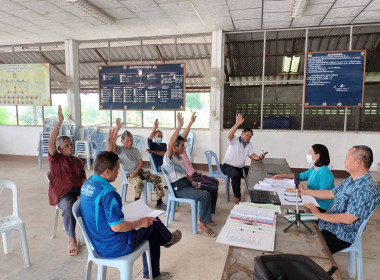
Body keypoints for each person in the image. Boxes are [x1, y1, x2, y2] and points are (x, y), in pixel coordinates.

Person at [80, 151, 181, 280]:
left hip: (99, 242)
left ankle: (152, 273)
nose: (118, 172)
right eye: (116, 169)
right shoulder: (108, 194)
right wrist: (140, 223)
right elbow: (117, 227)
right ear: (107, 172)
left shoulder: (88, 184)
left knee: (150, 229)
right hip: (115, 246)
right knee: (152, 222)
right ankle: (168, 240)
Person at [301, 145, 380, 254]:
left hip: (341, 234)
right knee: (298, 220)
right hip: (329, 223)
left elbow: (348, 219)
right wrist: (305, 192)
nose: (345, 160)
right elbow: (330, 193)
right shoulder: (350, 180)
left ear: (358, 162)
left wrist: (318, 214)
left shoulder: (365, 190)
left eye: (347, 157)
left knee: (307, 251)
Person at [163, 113, 218, 237]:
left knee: (212, 190)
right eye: (182, 145)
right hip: (178, 189)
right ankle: (202, 225)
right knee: (204, 196)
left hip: (186, 184)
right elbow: (171, 144)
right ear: (175, 147)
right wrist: (179, 126)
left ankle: (206, 217)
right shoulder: (169, 158)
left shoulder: (180, 157)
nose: (185, 147)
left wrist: (194, 183)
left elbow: (187, 175)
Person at [48, 105, 86, 256]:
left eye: (71, 145)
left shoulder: (77, 161)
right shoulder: (55, 159)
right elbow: (51, 142)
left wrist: (83, 192)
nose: (70, 147)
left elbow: (83, 178)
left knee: (96, 200)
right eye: (66, 146)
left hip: (78, 190)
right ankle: (72, 239)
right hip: (64, 193)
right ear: (59, 149)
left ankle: (96, 233)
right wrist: (60, 122)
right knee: (69, 206)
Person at [107, 118, 166, 209]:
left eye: (131, 140)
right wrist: (117, 129)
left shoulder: (135, 150)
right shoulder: (119, 149)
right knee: (138, 182)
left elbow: (140, 162)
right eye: (128, 141)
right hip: (129, 175)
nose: (130, 143)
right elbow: (112, 145)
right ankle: (137, 203)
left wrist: (136, 171)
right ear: (122, 141)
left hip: (139, 171)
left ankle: (159, 202)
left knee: (157, 178)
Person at [272, 144, 334, 212]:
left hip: (321, 207)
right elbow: (301, 176)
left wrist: (305, 191)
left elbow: (325, 194)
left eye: (310, 152)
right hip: (311, 200)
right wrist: (284, 175)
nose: (308, 154)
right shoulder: (314, 169)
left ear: (317, 156)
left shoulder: (325, 172)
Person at [179, 112, 219, 214]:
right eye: (182, 143)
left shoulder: (183, 150)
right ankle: (206, 210)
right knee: (212, 187)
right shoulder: (177, 154)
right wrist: (183, 125)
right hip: (191, 177)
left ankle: (210, 209)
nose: (185, 143)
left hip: (195, 174)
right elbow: (182, 136)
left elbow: (183, 136)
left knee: (216, 182)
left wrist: (191, 122)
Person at [221, 114, 266, 204]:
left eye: (250, 136)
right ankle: (237, 197)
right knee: (235, 175)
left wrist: (259, 157)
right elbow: (230, 134)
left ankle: (254, 193)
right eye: (247, 135)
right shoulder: (234, 140)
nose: (248, 137)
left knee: (253, 173)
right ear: (242, 134)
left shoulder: (249, 144)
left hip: (239, 168)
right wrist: (237, 124)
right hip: (227, 166)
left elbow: (251, 155)